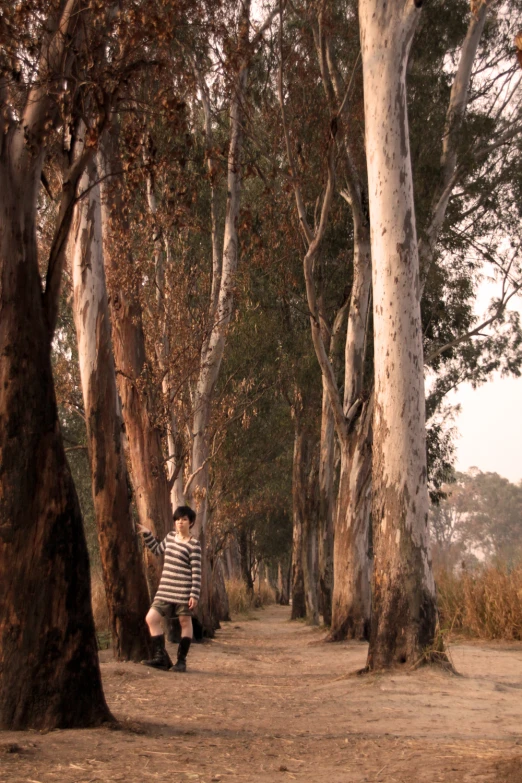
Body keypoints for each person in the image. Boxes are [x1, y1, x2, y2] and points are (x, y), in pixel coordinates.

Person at [137, 506, 201, 672]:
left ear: (191, 522)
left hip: (183, 592)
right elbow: (157, 550)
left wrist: (194, 594)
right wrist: (147, 534)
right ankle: (161, 657)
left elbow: (196, 571)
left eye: (184, 519)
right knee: (151, 618)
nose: (180, 522)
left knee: (184, 622)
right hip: (165, 590)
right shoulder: (171, 537)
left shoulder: (194, 545)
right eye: (178, 519)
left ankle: (181, 661)